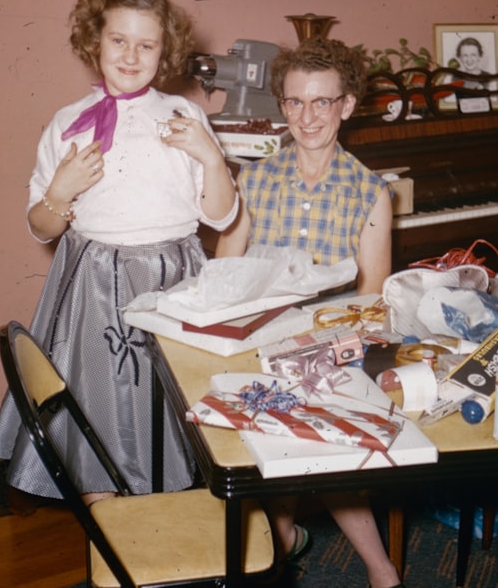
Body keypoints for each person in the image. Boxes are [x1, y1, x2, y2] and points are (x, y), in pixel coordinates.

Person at [0, 0, 238, 505]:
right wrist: (59, 191)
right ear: (93, 42)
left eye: (146, 45)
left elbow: (221, 214)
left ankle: (172, 537)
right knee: (98, 419)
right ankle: (113, 544)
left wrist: (210, 157)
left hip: (175, 279)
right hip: (94, 283)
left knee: (175, 414)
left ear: (163, 51)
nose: (131, 55)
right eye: (118, 40)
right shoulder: (67, 124)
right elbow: (40, 226)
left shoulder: (183, 117)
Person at [216, 37, 400, 588]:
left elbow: (372, 299)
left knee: (324, 443)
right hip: (256, 343)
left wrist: (322, 355)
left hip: (329, 351)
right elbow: (223, 277)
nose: (307, 116)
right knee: (265, 437)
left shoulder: (369, 192)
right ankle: (287, 532)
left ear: (346, 105)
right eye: (295, 102)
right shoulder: (255, 180)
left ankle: (380, 570)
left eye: (322, 102)